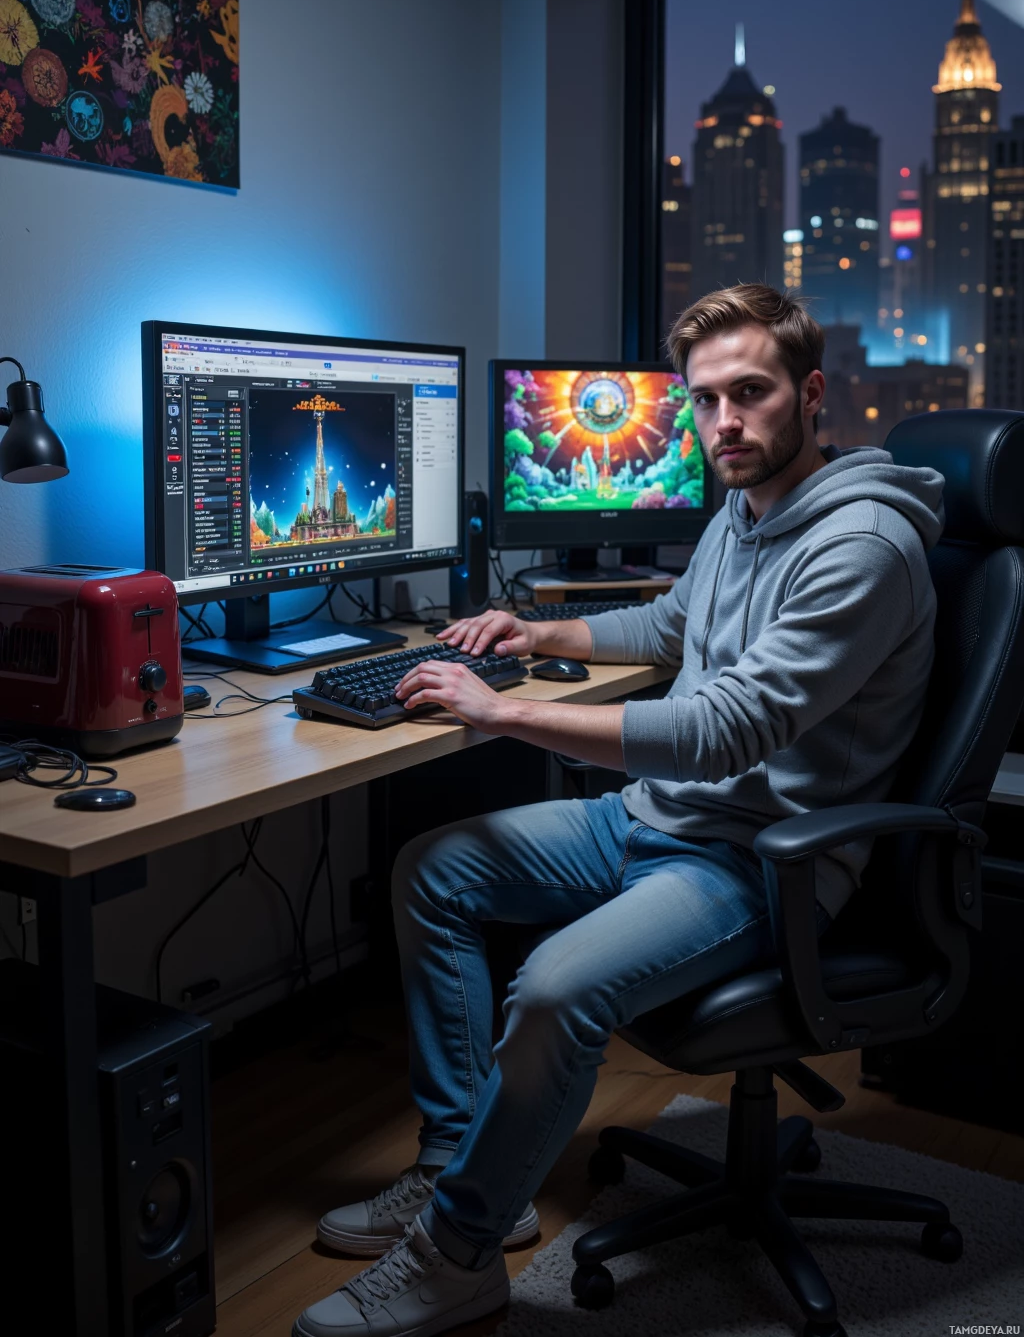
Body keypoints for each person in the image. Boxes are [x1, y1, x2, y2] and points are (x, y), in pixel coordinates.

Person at [292, 283, 944, 1337]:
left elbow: (724, 729)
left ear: (809, 393)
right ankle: (466, 1176)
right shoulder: (745, 507)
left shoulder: (859, 546)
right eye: (702, 401)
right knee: (435, 868)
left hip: (755, 859)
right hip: (658, 818)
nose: (722, 424)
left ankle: (456, 1257)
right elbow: (671, 625)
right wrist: (533, 634)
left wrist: (500, 716)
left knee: (554, 988)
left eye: (750, 393)